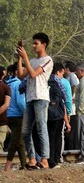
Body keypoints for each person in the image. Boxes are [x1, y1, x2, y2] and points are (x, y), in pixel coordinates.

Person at [16, 32, 54, 170]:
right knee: (25, 131)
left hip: (41, 97)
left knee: (41, 127)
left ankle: (44, 159)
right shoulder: (31, 61)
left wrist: (25, 57)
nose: (33, 46)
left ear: (43, 45)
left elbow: (33, 73)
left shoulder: (48, 60)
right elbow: (21, 75)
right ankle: (32, 159)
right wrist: (20, 58)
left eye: (36, 43)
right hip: (30, 98)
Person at [45, 63, 70, 167]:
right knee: (57, 136)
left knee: (49, 136)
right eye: (62, 73)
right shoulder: (59, 81)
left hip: (47, 112)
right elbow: (64, 97)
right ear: (58, 72)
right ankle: (55, 159)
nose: (62, 76)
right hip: (58, 113)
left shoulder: (45, 79)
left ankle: (48, 158)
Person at [4, 65, 27, 171]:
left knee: (18, 141)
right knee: (17, 142)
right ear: (17, 72)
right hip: (18, 116)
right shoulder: (18, 84)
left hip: (8, 115)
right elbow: (20, 102)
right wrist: (26, 114)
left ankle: (22, 165)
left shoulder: (8, 83)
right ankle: (11, 166)